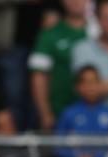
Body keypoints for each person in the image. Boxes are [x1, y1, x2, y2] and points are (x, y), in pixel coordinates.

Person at [28, 0, 88, 131]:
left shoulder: (98, 33)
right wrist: (45, 114)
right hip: (58, 113)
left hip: (94, 114)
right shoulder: (48, 34)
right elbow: (38, 76)